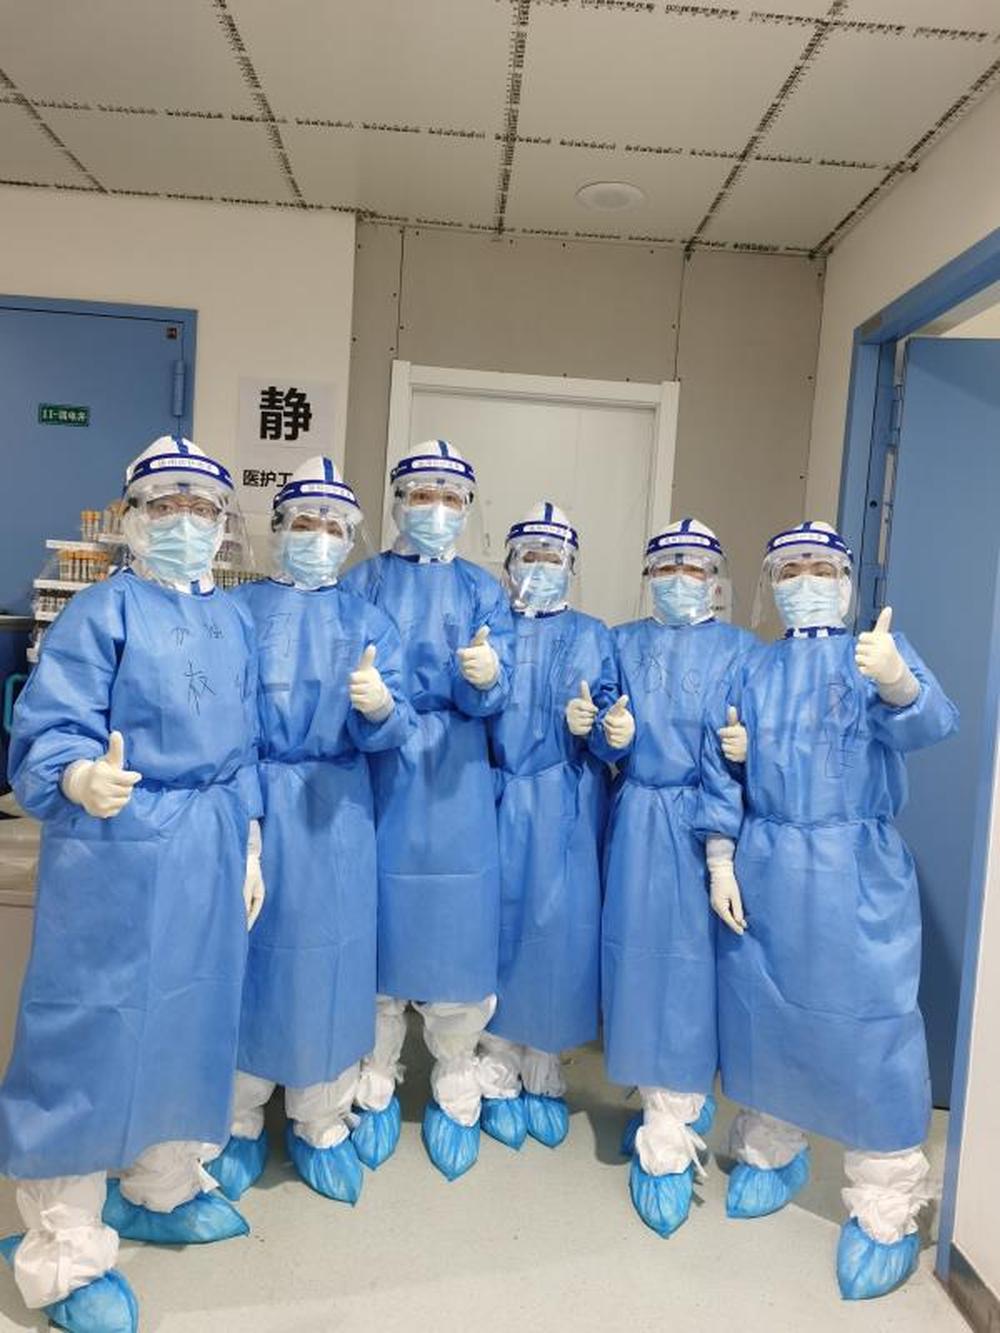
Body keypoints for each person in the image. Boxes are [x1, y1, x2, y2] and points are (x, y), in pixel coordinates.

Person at [0, 437, 263, 1333]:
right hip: (115, 848)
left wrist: (252, 842)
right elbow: (48, 731)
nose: (185, 520)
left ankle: (161, 1182)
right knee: (91, 1034)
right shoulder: (100, 613)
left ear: (223, 523)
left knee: (192, 1016)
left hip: (212, 843)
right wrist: (77, 775)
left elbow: (247, 744)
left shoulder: (234, 620)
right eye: (165, 504)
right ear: (132, 518)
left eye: (201, 506)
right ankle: (64, 1245)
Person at [704, 520, 959, 1300]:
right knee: (769, 1012)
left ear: (847, 582)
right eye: (790, 568)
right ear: (771, 583)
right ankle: (774, 1146)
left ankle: (885, 1203)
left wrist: (899, 683)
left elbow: (935, 721)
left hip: (855, 870)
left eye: (821, 566)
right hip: (769, 859)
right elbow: (721, 766)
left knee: (869, 1026)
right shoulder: (753, 667)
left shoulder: (873, 652)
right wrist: (721, 856)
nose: (806, 580)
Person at [205, 457, 414, 1207]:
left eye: (333, 525)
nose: (319, 536)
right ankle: (235, 1118)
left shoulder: (367, 621)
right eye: (305, 521)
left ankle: (321, 1118)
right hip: (252, 803)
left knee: (331, 959)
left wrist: (381, 707)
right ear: (279, 528)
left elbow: (400, 728)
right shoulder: (237, 611)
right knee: (247, 961)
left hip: (337, 814)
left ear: (351, 538)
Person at [340, 440, 514, 1180]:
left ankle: (455, 1070)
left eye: (449, 497)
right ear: (398, 502)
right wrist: (374, 702)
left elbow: (499, 689)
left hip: (459, 775)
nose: (435, 509)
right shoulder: (364, 582)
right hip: (382, 767)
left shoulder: (482, 590)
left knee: (456, 923)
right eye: (421, 494)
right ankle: (375, 1069)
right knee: (380, 918)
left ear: (467, 508)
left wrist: (487, 676)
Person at [601, 519, 754, 1238]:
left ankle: (674, 1120)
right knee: (633, 961)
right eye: (666, 567)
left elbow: (732, 759)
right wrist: (608, 735)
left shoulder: (741, 652)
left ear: (716, 580)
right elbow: (597, 723)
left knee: (688, 973)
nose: (680, 579)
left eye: (695, 568)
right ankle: (650, 1086)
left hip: (697, 823)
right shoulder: (621, 642)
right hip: (635, 815)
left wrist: (720, 853)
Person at [476, 503, 617, 1151]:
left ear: (572, 566)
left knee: (558, 932)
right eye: (529, 555)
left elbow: (616, 727)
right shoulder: (490, 628)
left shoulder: (592, 635)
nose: (540, 566)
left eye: (553, 557)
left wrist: (603, 731)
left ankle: (544, 1063)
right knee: (497, 927)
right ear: (508, 565)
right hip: (497, 794)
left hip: (567, 801)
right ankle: (496, 1062)